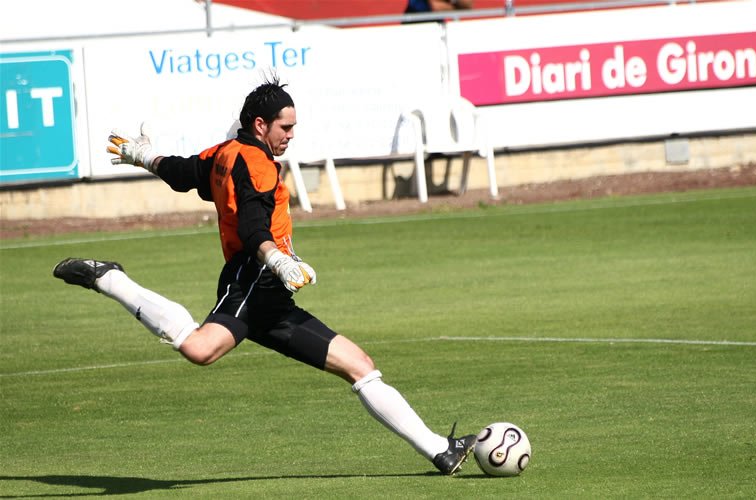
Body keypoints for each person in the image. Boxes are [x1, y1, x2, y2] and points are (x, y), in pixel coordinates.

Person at [52, 76, 476, 475]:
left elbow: (183, 174)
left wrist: (143, 155)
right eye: (285, 127)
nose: (291, 135)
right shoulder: (256, 163)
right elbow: (255, 228)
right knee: (201, 349)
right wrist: (279, 260)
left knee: (359, 365)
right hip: (253, 279)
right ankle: (110, 279)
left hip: (270, 295)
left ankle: (440, 450)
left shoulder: (226, 152)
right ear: (261, 124)